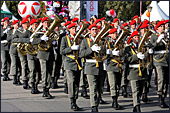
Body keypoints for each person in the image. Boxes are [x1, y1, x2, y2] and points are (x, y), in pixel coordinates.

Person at [79, 23, 106, 112]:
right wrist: (91, 49)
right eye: (93, 30)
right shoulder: (85, 41)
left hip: (100, 66)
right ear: (89, 31)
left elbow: (105, 54)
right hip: (90, 66)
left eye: (96, 30)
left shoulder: (102, 41)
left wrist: (106, 51)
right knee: (93, 87)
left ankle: (97, 101)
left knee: (99, 87)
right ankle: (93, 106)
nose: (94, 31)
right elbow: (81, 54)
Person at [124, 31, 151, 112]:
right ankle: (137, 106)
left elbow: (147, 59)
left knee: (140, 89)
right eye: (135, 37)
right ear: (132, 38)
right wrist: (136, 57)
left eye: (138, 37)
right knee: (135, 90)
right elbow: (126, 59)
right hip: (133, 71)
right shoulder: (128, 48)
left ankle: (136, 106)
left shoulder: (143, 47)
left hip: (142, 71)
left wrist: (147, 54)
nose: (137, 39)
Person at [31, 17, 55, 99]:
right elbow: (33, 41)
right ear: (42, 23)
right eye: (45, 23)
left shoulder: (52, 32)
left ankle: (47, 88)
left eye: (48, 23)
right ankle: (45, 89)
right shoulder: (39, 32)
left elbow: (56, 39)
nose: (47, 24)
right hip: (42, 54)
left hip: (50, 54)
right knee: (44, 72)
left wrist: (54, 42)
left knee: (49, 72)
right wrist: (41, 39)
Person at [60, 23, 82, 111]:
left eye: (75, 28)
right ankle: (72, 100)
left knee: (76, 82)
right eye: (72, 28)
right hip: (68, 62)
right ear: (69, 29)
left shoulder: (80, 39)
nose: (74, 30)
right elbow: (62, 51)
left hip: (78, 63)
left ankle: (75, 99)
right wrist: (71, 48)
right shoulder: (65, 38)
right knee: (71, 81)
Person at [150, 21, 169, 108]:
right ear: (157, 28)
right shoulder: (153, 36)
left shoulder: (166, 36)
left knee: (166, 81)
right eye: (160, 26)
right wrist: (157, 41)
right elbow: (151, 47)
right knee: (160, 78)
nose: (162, 28)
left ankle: (164, 96)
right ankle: (160, 96)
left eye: (163, 26)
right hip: (158, 60)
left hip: (167, 60)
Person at [106, 28, 122, 110]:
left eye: (116, 33)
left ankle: (116, 98)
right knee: (113, 84)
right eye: (114, 34)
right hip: (110, 65)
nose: (115, 35)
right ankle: (114, 101)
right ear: (110, 35)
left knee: (118, 84)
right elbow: (103, 53)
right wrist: (111, 53)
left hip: (119, 65)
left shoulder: (120, 42)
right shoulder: (107, 42)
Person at [7, 20, 21, 85]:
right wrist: (14, 35)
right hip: (13, 49)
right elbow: (8, 39)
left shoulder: (21, 31)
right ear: (13, 25)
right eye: (16, 24)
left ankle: (18, 77)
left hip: (19, 49)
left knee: (19, 64)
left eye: (18, 24)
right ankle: (15, 77)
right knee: (14, 64)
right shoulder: (10, 31)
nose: (17, 25)